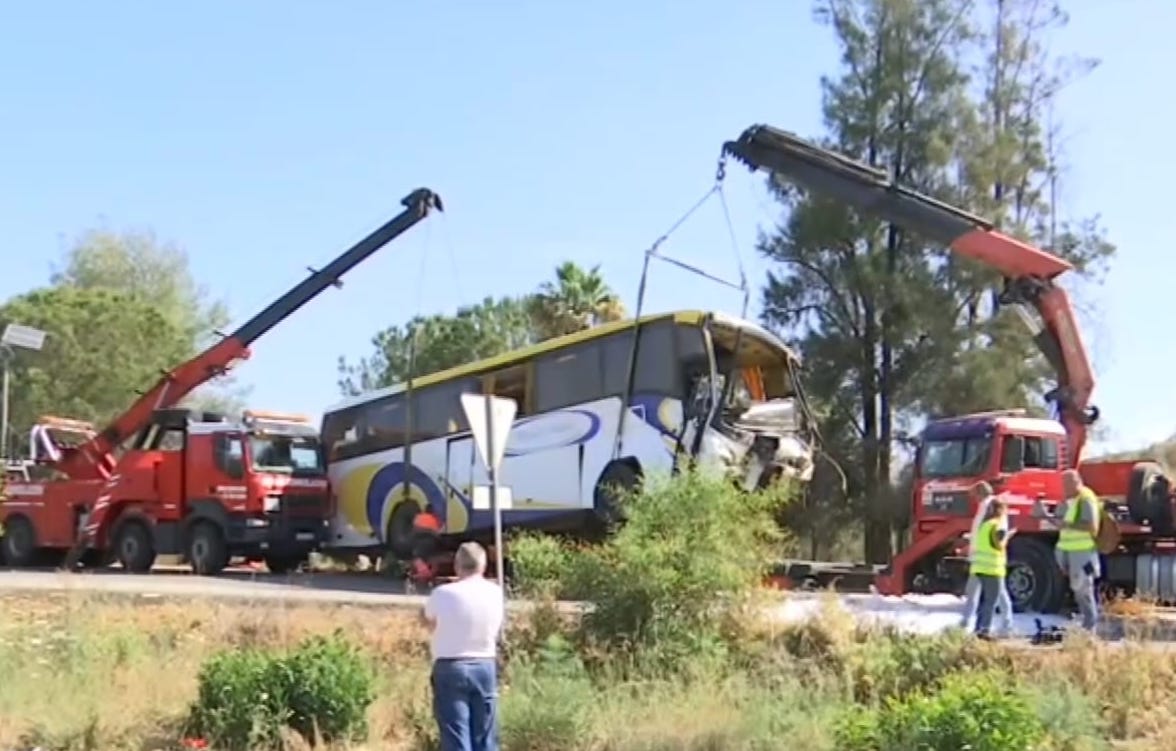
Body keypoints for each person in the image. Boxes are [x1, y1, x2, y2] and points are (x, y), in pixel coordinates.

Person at [421, 542, 505, 751]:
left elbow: (427, 620)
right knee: (485, 737)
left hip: (450, 665)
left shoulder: (442, 593)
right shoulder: (495, 593)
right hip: (484, 664)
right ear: (483, 565)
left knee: (456, 736)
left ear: (457, 565)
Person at [960, 482, 1015, 635]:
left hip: (986, 562)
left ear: (980, 493)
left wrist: (972, 546)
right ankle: (1001, 625)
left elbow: (994, 535)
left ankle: (977, 626)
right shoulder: (989, 508)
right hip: (987, 561)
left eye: (974, 494)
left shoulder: (990, 507)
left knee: (987, 596)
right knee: (992, 596)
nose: (974, 498)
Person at [1055, 469, 1102, 633]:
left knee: (1084, 590)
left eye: (1068, 484)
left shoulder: (1085, 499)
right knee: (1078, 590)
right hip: (1071, 552)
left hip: (1083, 553)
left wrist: (1068, 524)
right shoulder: (1070, 500)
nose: (1065, 487)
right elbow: (1061, 521)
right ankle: (1087, 625)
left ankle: (1090, 628)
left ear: (1077, 482)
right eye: (1063, 484)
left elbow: (1091, 526)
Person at [970, 497, 1011, 639]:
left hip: (980, 567)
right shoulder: (997, 525)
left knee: (984, 601)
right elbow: (998, 544)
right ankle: (984, 631)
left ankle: (978, 629)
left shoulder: (985, 525)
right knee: (991, 602)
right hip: (992, 569)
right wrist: (1007, 537)